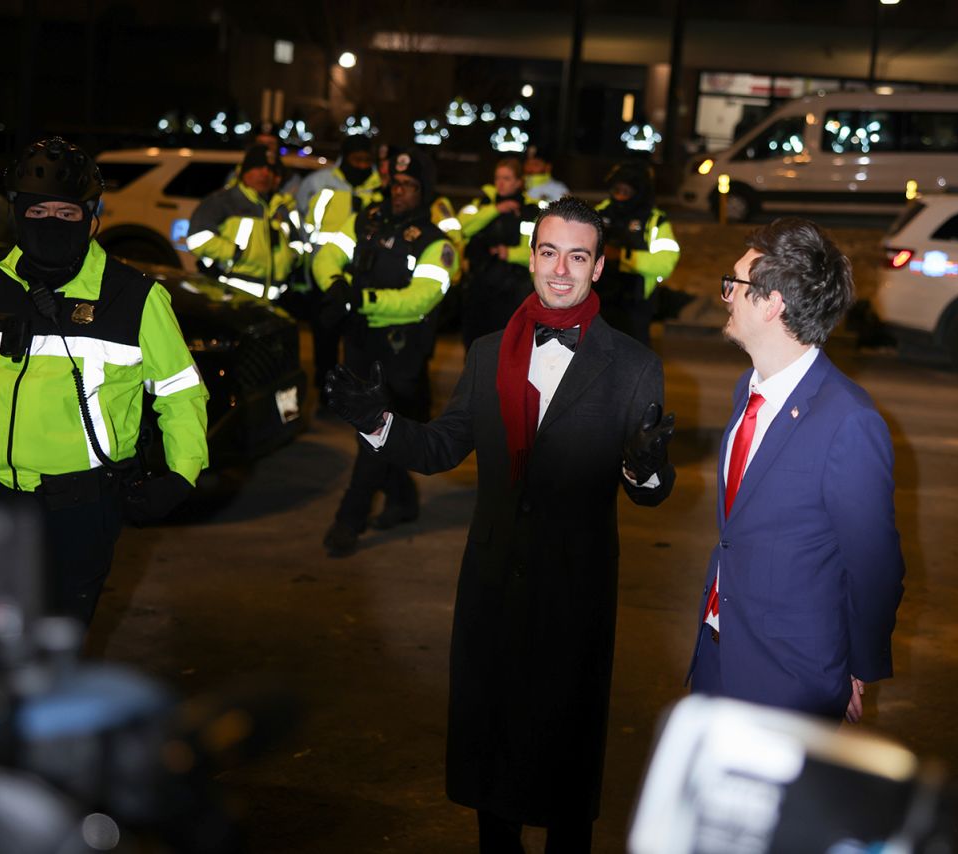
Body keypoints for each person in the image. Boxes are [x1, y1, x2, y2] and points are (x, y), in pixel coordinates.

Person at [324, 196, 677, 852]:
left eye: (578, 256)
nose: (562, 270)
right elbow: (441, 447)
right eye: (550, 253)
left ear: (600, 267)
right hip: (491, 585)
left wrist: (642, 469)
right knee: (492, 762)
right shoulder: (489, 353)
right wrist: (376, 422)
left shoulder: (633, 367)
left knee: (563, 768)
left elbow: (650, 489)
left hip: (574, 593)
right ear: (532, 257)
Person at [0, 137, 209, 626]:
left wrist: (181, 474)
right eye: (39, 211)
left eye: (67, 215)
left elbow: (181, 391)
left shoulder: (134, 297)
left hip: (79, 510)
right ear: (17, 214)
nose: (52, 224)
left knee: (56, 651)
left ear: (92, 218)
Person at [687, 217, 903, 722]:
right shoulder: (749, 388)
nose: (726, 296)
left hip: (789, 681)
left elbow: (876, 567)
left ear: (773, 302)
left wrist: (854, 666)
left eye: (735, 285)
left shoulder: (849, 421)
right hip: (717, 656)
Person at [311, 149, 459, 558]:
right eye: (396, 183)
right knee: (377, 433)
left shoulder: (437, 243)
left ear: (425, 191)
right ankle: (403, 500)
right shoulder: (366, 220)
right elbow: (327, 254)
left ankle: (349, 520)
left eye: (409, 186)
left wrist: (361, 298)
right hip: (360, 343)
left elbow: (420, 299)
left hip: (401, 354)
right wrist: (335, 283)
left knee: (373, 435)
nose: (399, 192)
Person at [186, 143, 299, 300]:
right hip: (229, 296)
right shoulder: (224, 201)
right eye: (259, 168)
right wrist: (235, 253)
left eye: (270, 170)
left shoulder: (281, 208)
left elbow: (296, 242)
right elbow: (196, 239)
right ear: (244, 172)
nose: (265, 174)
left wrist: (292, 260)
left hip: (273, 300)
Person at [456, 157, 542, 349]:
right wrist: (495, 210)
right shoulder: (481, 204)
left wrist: (508, 253)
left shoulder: (530, 211)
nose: (501, 183)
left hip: (512, 288)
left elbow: (535, 251)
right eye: (498, 177)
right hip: (478, 285)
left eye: (507, 178)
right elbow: (462, 228)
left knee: (505, 344)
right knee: (474, 342)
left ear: (519, 182)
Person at [594, 161, 680, 346]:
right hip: (598, 300)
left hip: (636, 304)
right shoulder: (598, 213)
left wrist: (623, 257)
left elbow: (665, 264)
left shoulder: (655, 220)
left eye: (626, 192)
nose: (620, 197)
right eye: (617, 190)